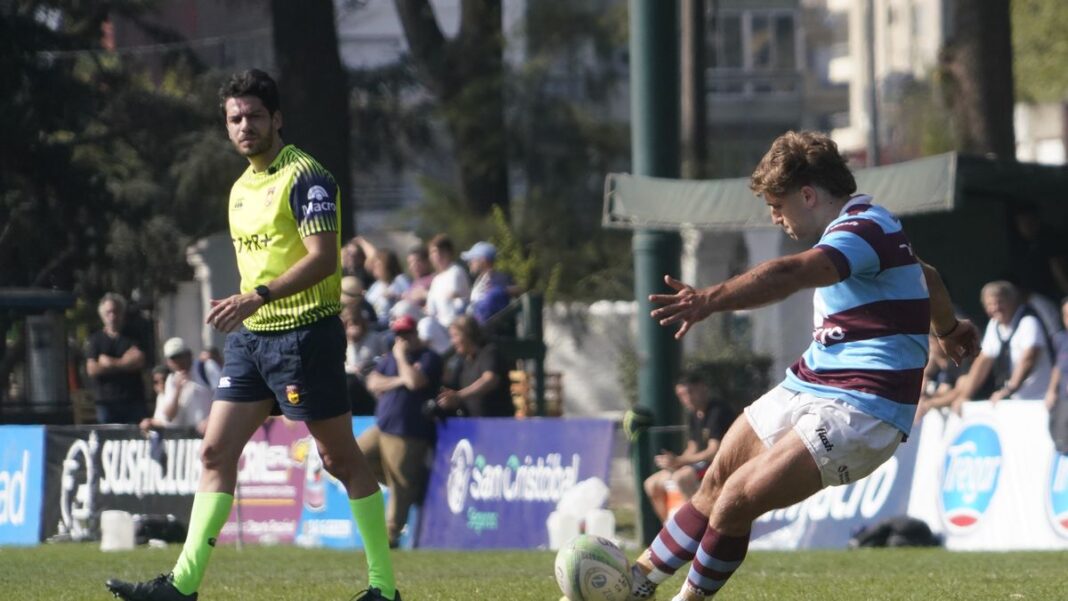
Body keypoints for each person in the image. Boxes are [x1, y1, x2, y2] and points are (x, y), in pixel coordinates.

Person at [624, 131, 979, 601]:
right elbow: (927, 276)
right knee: (715, 482)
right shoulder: (870, 230)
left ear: (808, 195)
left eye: (777, 205)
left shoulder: (862, 229)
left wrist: (708, 299)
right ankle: (635, 582)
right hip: (812, 382)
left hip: (863, 409)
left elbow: (793, 273)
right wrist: (949, 329)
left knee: (735, 502)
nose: (775, 217)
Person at [106, 69, 401, 601]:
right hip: (251, 342)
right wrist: (247, 308)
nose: (245, 126)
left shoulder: (306, 176)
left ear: (277, 119)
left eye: (254, 117)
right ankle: (182, 585)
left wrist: (256, 296)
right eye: (235, 118)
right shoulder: (241, 188)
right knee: (215, 453)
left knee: (340, 460)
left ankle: (384, 588)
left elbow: (323, 258)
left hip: (304, 335)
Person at [359, 314, 443, 548]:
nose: (402, 339)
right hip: (383, 425)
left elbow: (415, 382)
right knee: (354, 459)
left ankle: (391, 535)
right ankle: (411, 491)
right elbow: (373, 382)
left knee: (400, 483)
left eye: (406, 334)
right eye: (398, 334)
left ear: (416, 333)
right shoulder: (388, 359)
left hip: (408, 429)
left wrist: (401, 359)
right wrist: (399, 380)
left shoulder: (429, 357)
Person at [642, 372, 735, 523]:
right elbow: (692, 448)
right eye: (681, 395)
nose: (686, 398)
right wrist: (674, 462)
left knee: (682, 478)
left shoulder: (717, 411)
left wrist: (680, 460)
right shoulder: (693, 414)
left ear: (702, 388)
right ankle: (668, 530)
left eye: (689, 392)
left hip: (721, 464)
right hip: (702, 463)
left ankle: (700, 527)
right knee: (651, 484)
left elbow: (713, 451)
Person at [955, 281, 1053, 404]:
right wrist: (964, 396)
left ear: (1013, 301)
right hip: (1013, 401)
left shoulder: (1028, 321)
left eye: (1000, 302)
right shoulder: (994, 324)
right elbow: (983, 361)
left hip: (1038, 400)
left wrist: (1009, 389)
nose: (995, 308)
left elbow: (1028, 359)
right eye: (990, 304)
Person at [85, 293, 147, 424]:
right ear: (102, 315)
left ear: (122, 313)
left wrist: (110, 363)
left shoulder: (134, 335)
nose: (112, 316)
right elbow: (92, 369)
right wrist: (125, 363)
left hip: (133, 400)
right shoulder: (95, 340)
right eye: (108, 312)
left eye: (116, 311)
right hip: (106, 403)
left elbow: (139, 360)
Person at [436, 315, 513, 417]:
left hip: (496, 425)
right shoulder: (462, 362)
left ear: (468, 334)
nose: (452, 342)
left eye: (455, 336)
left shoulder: (489, 352)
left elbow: (490, 380)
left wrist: (459, 395)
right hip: (472, 425)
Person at [138, 337, 213, 435]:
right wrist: (177, 390)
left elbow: (224, 395)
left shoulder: (206, 368)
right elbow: (169, 416)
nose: (179, 362)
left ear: (189, 355)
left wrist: (210, 420)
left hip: (212, 430)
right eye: (174, 359)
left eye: (181, 356)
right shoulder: (171, 380)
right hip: (190, 436)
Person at [342, 303, 388, 416]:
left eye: (356, 322)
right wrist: (352, 341)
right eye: (349, 323)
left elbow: (386, 359)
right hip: (350, 385)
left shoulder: (375, 338)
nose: (353, 326)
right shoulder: (341, 341)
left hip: (371, 383)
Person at [461, 241, 514, 324]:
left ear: (483, 260)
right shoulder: (480, 280)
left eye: (472, 259)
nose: (469, 263)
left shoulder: (498, 278)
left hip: (492, 331)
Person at [425, 234, 470, 329]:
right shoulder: (436, 280)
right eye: (432, 252)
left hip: (456, 325)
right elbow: (431, 310)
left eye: (436, 251)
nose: (434, 256)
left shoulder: (456, 271)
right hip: (441, 325)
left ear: (447, 253)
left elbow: (453, 297)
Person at [366, 249, 411, 328]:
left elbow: (410, 298)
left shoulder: (400, 280)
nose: (375, 267)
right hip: (375, 323)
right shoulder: (376, 286)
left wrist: (395, 296)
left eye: (378, 264)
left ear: (388, 265)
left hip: (393, 324)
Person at [402, 244, 435, 309]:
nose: (414, 266)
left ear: (427, 262)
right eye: (410, 263)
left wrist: (424, 294)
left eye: (417, 261)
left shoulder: (433, 279)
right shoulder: (413, 283)